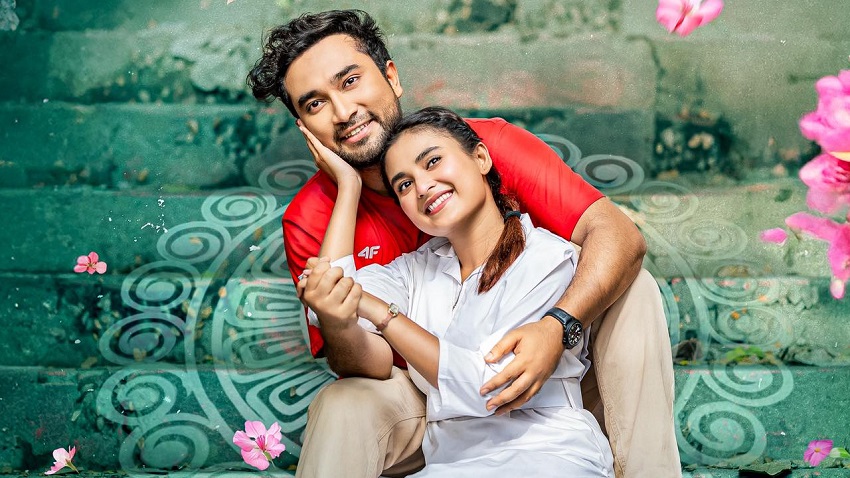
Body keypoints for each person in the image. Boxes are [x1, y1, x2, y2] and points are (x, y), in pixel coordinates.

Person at [247, 9, 680, 478]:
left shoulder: (475, 144)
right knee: (342, 400)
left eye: (350, 81)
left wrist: (557, 327)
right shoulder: (313, 218)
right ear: (304, 127)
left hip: (550, 379)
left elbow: (619, 235)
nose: (343, 111)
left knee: (633, 288)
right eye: (315, 104)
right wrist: (347, 193)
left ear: (391, 76)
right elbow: (358, 358)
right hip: (421, 400)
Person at [298, 106, 615, 476]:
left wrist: (384, 314)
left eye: (433, 162)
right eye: (404, 185)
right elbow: (330, 297)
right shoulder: (415, 270)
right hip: (448, 465)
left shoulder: (547, 257)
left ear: (480, 158)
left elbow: (489, 385)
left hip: (548, 455)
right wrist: (348, 187)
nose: (422, 187)